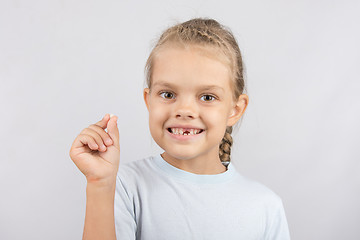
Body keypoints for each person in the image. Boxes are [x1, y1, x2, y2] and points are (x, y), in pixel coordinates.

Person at [69, 18, 291, 240]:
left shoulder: (265, 208)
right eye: (168, 94)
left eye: (207, 97)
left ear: (234, 109)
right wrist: (100, 185)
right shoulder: (122, 186)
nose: (184, 110)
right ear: (149, 100)